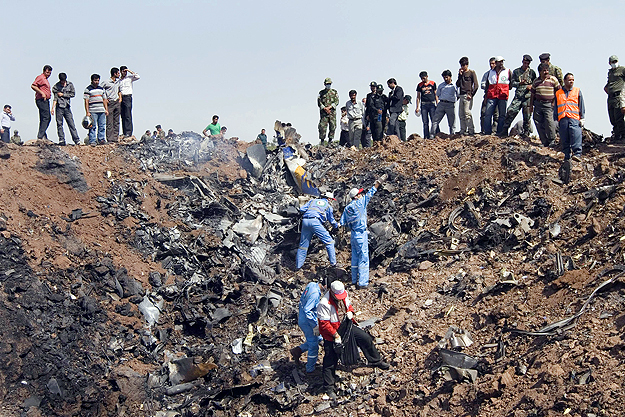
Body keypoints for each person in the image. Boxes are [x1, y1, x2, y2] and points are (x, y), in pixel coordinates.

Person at [318, 281, 390, 399]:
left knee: (365, 338)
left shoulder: (343, 294)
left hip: (346, 326)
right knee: (330, 359)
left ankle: (375, 360)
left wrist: (350, 312)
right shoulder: (324, 304)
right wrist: (336, 336)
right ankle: (329, 387)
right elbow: (324, 324)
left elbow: (348, 305)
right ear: (331, 292)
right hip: (332, 333)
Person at [340, 174, 387, 288]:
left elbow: (342, 223)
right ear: (356, 196)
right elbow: (372, 191)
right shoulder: (360, 203)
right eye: (359, 194)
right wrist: (380, 181)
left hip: (353, 235)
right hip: (361, 234)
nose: (361, 195)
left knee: (355, 257)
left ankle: (354, 280)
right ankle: (363, 283)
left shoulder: (347, 209)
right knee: (363, 258)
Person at [296, 192, 339, 270]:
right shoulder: (328, 206)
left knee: (303, 246)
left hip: (305, 221)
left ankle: (298, 266)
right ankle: (333, 264)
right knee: (330, 242)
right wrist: (336, 227)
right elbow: (331, 221)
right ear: (329, 199)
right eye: (331, 200)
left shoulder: (312, 201)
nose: (331, 201)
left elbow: (302, 209)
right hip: (315, 222)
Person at [291, 281, 325, 373]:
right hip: (307, 322)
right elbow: (308, 310)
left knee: (317, 339)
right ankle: (310, 369)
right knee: (313, 345)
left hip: (303, 317)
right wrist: (315, 326)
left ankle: (297, 350)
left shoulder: (311, 284)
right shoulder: (315, 294)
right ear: (325, 286)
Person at [502, 55, 537, 137]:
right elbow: (512, 83)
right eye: (525, 63)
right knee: (511, 111)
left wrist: (531, 86)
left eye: (527, 63)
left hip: (527, 96)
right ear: (522, 62)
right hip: (518, 96)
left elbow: (535, 83)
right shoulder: (516, 71)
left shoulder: (532, 73)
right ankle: (504, 130)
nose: (526, 65)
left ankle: (526, 132)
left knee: (527, 115)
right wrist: (519, 83)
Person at [530, 63, 561, 147]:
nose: (546, 72)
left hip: (548, 104)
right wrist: (531, 106)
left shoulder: (553, 80)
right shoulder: (536, 81)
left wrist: (554, 102)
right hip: (538, 104)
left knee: (549, 122)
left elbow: (559, 91)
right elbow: (532, 94)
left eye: (547, 70)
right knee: (538, 121)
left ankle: (552, 141)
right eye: (544, 70)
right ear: (540, 72)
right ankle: (544, 141)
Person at [556, 73, 585, 161]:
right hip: (563, 118)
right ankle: (567, 155)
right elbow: (555, 107)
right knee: (564, 138)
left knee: (576, 136)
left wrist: (582, 117)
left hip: (574, 118)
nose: (571, 81)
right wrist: (555, 119)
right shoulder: (558, 93)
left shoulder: (577, 91)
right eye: (569, 80)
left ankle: (577, 154)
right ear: (564, 81)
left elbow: (581, 105)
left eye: (572, 79)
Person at [484, 56, 512, 136]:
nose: (501, 63)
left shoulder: (508, 71)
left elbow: (511, 84)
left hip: (502, 96)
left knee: (502, 115)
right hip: (492, 96)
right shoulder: (490, 72)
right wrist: (486, 97)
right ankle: (487, 132)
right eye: (500, 62)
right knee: (488, 114)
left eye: (502, 61)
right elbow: (487, 85)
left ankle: (500, 132)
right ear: (496, 63)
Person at [51, 73, 80, 145]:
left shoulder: (70, 85)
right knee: (59, 124)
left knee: (71, 123)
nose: (63, 82)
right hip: (59, 107)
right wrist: (53, 108)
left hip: (67, 107)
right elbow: (55, 98)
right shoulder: (56, 86)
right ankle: (61, 140)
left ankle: (76, 140)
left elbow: (73, 94)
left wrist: (63, 95)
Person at [83, 74, 109, 146]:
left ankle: (101, 140)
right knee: (92, 126)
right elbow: (86, 101)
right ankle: (92, 141)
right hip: (93, 110)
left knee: (102, 126)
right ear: (92, 80)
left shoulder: (101, 89)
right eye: (95, 80)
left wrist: (106, 109)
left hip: (101, 110)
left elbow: (104, 99)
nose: (97, 82)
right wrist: (87, 112)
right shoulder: (88, 89)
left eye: (98, 80)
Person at [456, 57, 479, 136]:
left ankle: (471, 130)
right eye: (461, 65)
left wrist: (471, 94)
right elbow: (457, 84)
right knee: (461, 114)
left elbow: (476, 85)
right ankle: (463, 130)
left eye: (464, 65)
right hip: (461, 95)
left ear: (467, 65)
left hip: (468, 95)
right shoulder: (461, 74)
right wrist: (460, 76)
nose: (462, 67)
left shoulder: (471, 73)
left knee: (467, 113)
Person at [604, 55, 625, 142]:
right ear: (609, 63)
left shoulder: (622, 70)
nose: (614, 63)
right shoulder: (610, 72)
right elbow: (608, 84)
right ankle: (616, 135)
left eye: (615, 61)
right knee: (612, 118)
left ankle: (623, 135)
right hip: (610, 97)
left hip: (618, 97)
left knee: (619, 118)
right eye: (612, 62)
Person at [430, 70, 457, 136]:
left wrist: (453, 100)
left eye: (447, 77)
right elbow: (438, 94)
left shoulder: (454, 85)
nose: (445, 79)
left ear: (450, 77)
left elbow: (458, 94)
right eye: (444, 77)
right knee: (435, 120)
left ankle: (452, 135)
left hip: (450, 104)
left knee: (452, 122)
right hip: (441, 104)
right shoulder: (441, 85)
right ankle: (432, 134)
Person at [31, 65, 53, 140]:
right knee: (46, 117)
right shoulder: (40, 77)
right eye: (47, 72)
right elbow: (33, 86)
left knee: (44, 118)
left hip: (45, 100)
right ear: (44, 71)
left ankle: (43, 135)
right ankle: (40, 135)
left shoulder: (46, 79)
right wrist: (42, 93)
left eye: (50, 73)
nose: (48, 74)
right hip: (41, 99)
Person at [101, 67, 121, 143]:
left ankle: (115, 138)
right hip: (110, 103)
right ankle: (110, 139)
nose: (119, 74)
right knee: (109, 122)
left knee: (116, 121)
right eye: (118, 73)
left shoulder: (118, 82)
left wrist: (120, 99)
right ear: (114, 74)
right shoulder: (106, 82)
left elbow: (119, 90)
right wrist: (105, 98)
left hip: (116, 102)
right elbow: (101, 89)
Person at [119, 66, 140, 138]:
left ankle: (129, 132)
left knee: (128, 115)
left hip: (127, 97)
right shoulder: (119, 81)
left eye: (125, 71)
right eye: (123, 71)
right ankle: (124, 132)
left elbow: (137, 76)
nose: (124, 73)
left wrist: (130, 71)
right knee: (123, 115)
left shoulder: (129, 78)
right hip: (121, 98)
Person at [416, 71, 438, 139]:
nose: (423, 79)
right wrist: (417, 107)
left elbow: (435, 94)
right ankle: (426, 136)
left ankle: (436, 134)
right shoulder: (420, 85)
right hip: (424, 104)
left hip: (431, 103)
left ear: (427, 76)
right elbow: (418, 96)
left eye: (424, 78)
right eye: (422, 78)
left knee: (434, 120)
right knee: (425, 122)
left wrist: (437, 103)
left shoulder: (432, 83)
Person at [318, 78, 339, 144]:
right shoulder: (321, 93)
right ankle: (322, 141)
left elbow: (337, 101)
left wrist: (330, 107)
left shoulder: (334, 92)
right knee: (322, 127)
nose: (328, 85)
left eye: (329, 84)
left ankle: (330, 141)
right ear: (324, 84)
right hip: (324, 113)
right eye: (327, 84)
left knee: (333, 126)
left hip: (332, 113)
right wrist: (325, 108)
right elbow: (319, 102)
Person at [480, 58, 498, 134]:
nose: (492, 65)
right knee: (484, 113)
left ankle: (494, 131)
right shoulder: (487, 74)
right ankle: (485, 130)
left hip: (497, 96)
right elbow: (482, 84)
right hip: (487, 95)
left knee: (496, 115)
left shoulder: (499, 74)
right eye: (490, 63)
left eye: (493, 63)